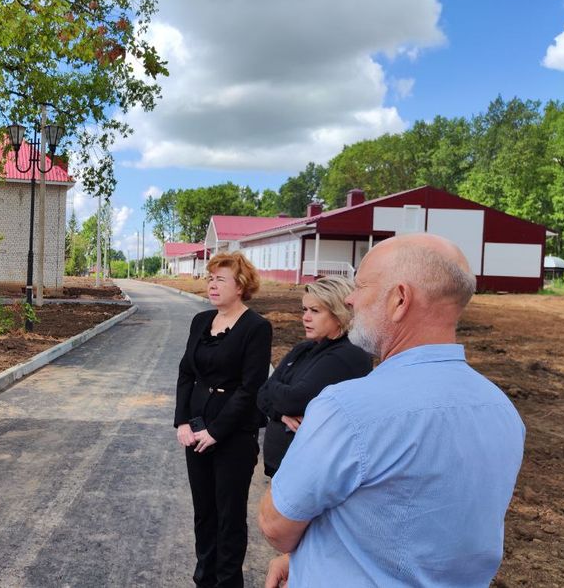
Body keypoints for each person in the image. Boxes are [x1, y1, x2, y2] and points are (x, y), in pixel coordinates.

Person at [258, 233, 525, 588]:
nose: (350, 299)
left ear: (400, 299)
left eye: (361, 286)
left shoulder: (348, 408)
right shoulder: (501, 409)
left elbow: (276, 526)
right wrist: (302, 558)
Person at [175, 252, 273, 588]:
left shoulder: (257, 328)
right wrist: (183, 422)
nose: (212, 285)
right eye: (210, 278)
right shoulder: (200, 321)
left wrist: (216, 432)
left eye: (221, 279)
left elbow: (251, 389)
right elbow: (186, 372)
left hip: (234, 435)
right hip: (197, 428)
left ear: (241, 286)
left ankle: (227, 582)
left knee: (229, 517)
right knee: (204, 513)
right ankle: (204, 580)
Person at [256, 277, 371, 477]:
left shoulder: (347, 354)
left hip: (312, 471)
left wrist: (275, 388)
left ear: (339, 314)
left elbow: (293, 400)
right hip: (285, 466)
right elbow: (261, 394)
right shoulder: (305, 348)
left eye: (315, 311)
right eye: (304, 310)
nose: (305, 318)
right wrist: (279, 413)